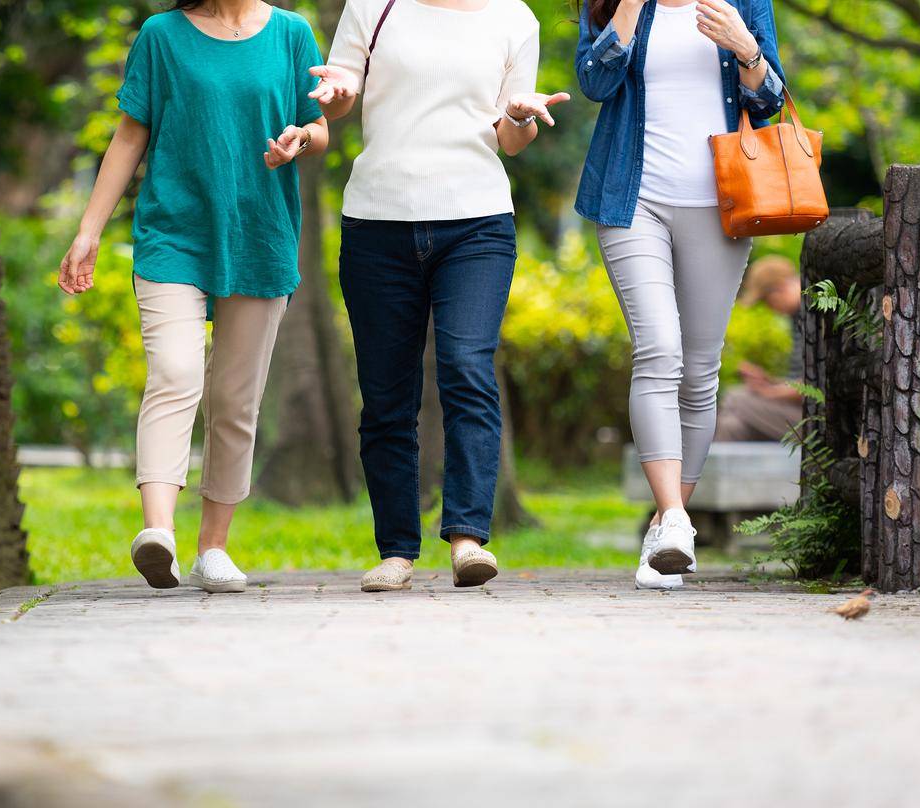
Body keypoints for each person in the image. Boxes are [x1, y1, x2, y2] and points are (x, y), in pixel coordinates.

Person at [57, 0, 328, 594]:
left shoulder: (290, 34)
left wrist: (300, 138)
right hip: (174, 234)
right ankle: (158, 533)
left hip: (259, 235)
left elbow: (321, 126)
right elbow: (131, 135)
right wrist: (88, 231)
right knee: (175, 373)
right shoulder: (162, 35)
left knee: (236, 399)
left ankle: (213, 548)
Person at [310, 0, 569, 592]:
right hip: (377, 218)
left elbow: (511, 139)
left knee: (466, 366)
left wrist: (523, 117)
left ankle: (468, 538)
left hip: (476, 221)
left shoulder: (514, 18)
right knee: (385, 392)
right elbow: (341, 98)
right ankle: (396, 548)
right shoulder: (371, 7)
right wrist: (342, 87)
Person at [574, 0, 787, 590]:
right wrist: (621, 13)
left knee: (699, 370)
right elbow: (593, 82)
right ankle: (672, 517)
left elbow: (769, 100)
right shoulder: (619, 6)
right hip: (630, 201)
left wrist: (746, 47)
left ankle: (670, 530)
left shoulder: (743, 4)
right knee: (658, 348)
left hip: (723, 204)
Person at [716, 256, 805, 442]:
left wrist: (770, 392)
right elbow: (802, 380)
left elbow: (815, 386)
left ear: (780, 289)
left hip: (817, 420)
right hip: (797, 413)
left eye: (767, 300)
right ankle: (722, 472)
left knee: (735, 398)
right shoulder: (796, 317)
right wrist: (768, 381)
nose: (770, 307)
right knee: (731, 425)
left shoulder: (814, 313)